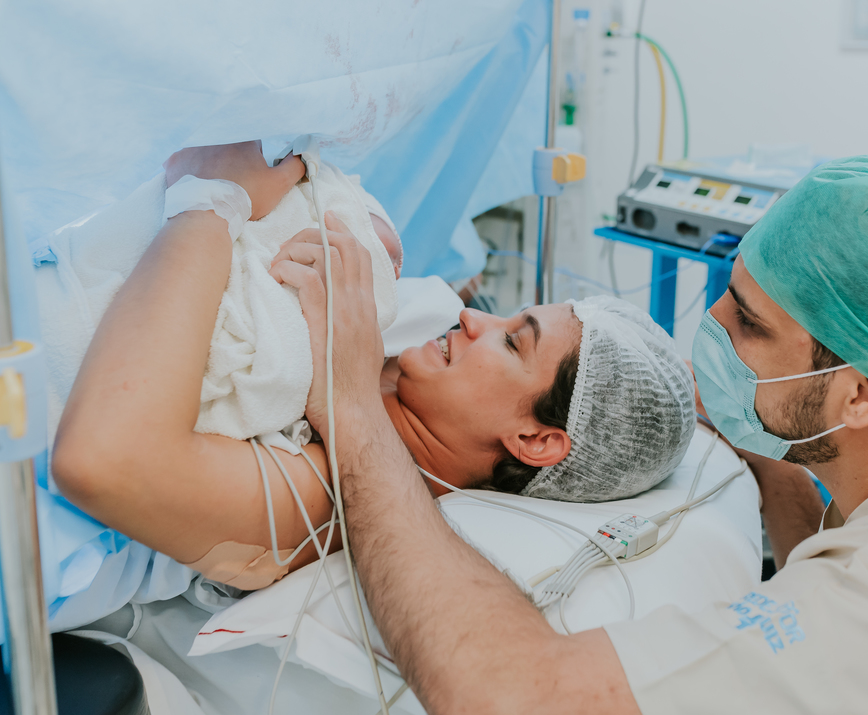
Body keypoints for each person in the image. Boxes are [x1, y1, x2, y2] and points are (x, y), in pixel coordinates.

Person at [311, 155, 868, 715]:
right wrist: (763, 448)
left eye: (748, 322)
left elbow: (508, 702)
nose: (711, 328)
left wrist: (351, 407)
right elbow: (847, 551)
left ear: (865, 392)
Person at [51, 142, 696, 591]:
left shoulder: (323, 498)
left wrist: (210, 200)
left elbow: (104, 459)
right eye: (508, 317)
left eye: (511, 343)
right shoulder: (397, 351)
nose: (475, 320)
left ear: (535, 440)